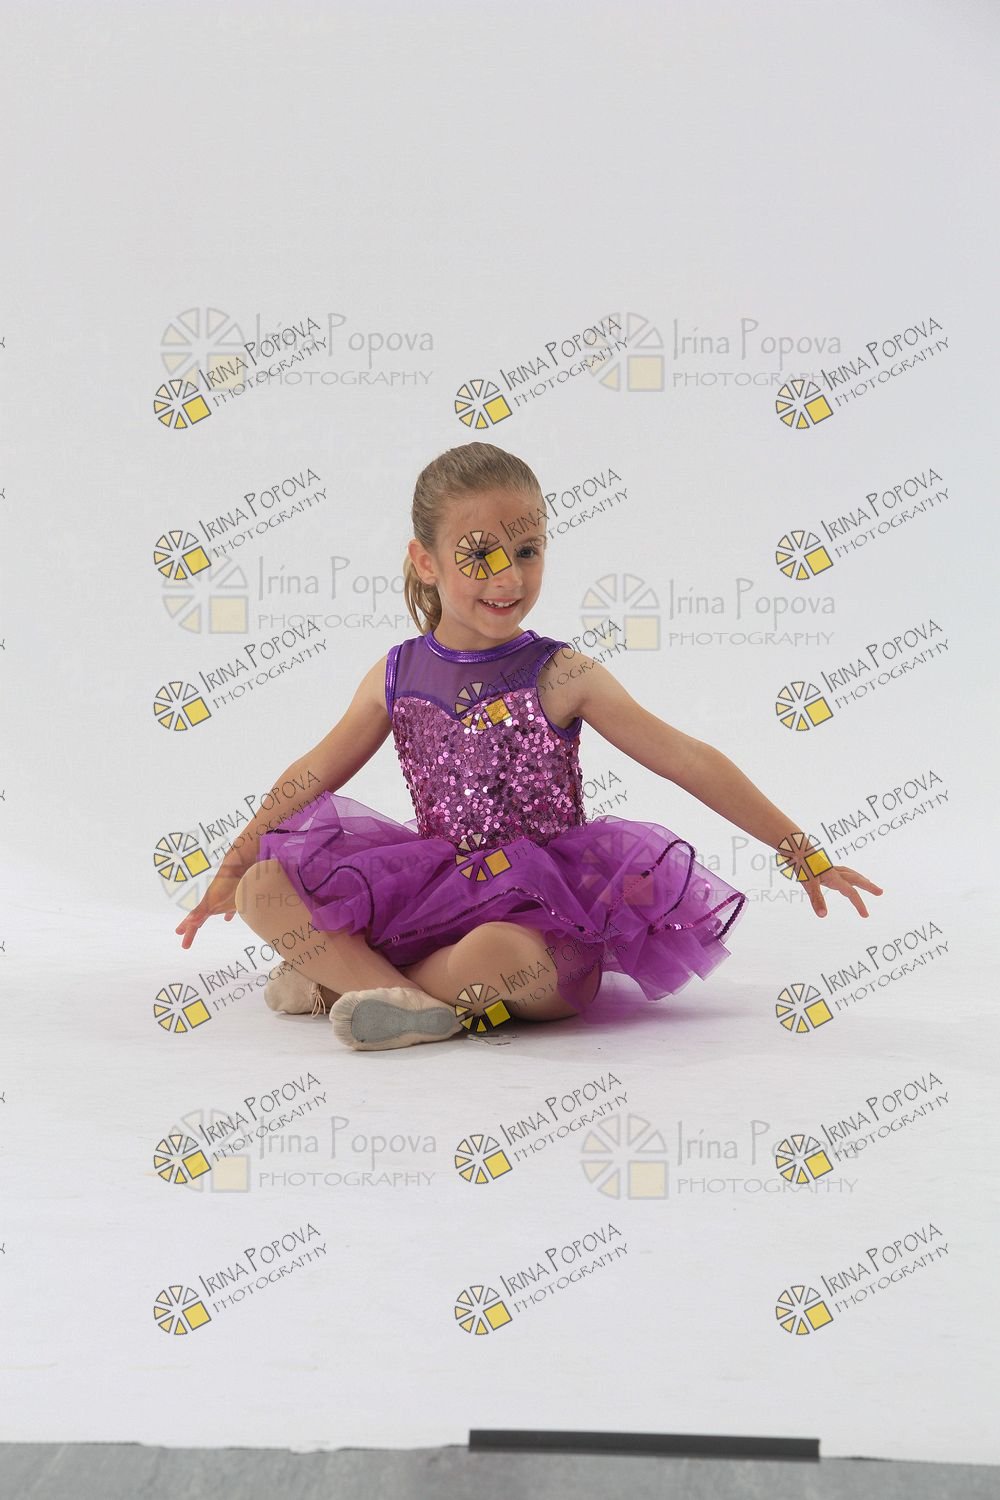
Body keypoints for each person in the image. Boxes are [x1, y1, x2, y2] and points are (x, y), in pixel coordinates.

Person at [175, 441, 883, 1051]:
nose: (508, 577)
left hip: (540, 917)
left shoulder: (559, 672)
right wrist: (229, 869)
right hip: (430, 898)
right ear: (425, 561)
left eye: (527, 551)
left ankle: (351, 980)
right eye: (478, 555)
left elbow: (684, 758)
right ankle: (411, 1002)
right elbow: (308, 777)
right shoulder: (395, 674)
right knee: (264, 887)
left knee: (502, 956)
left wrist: (797, 847)